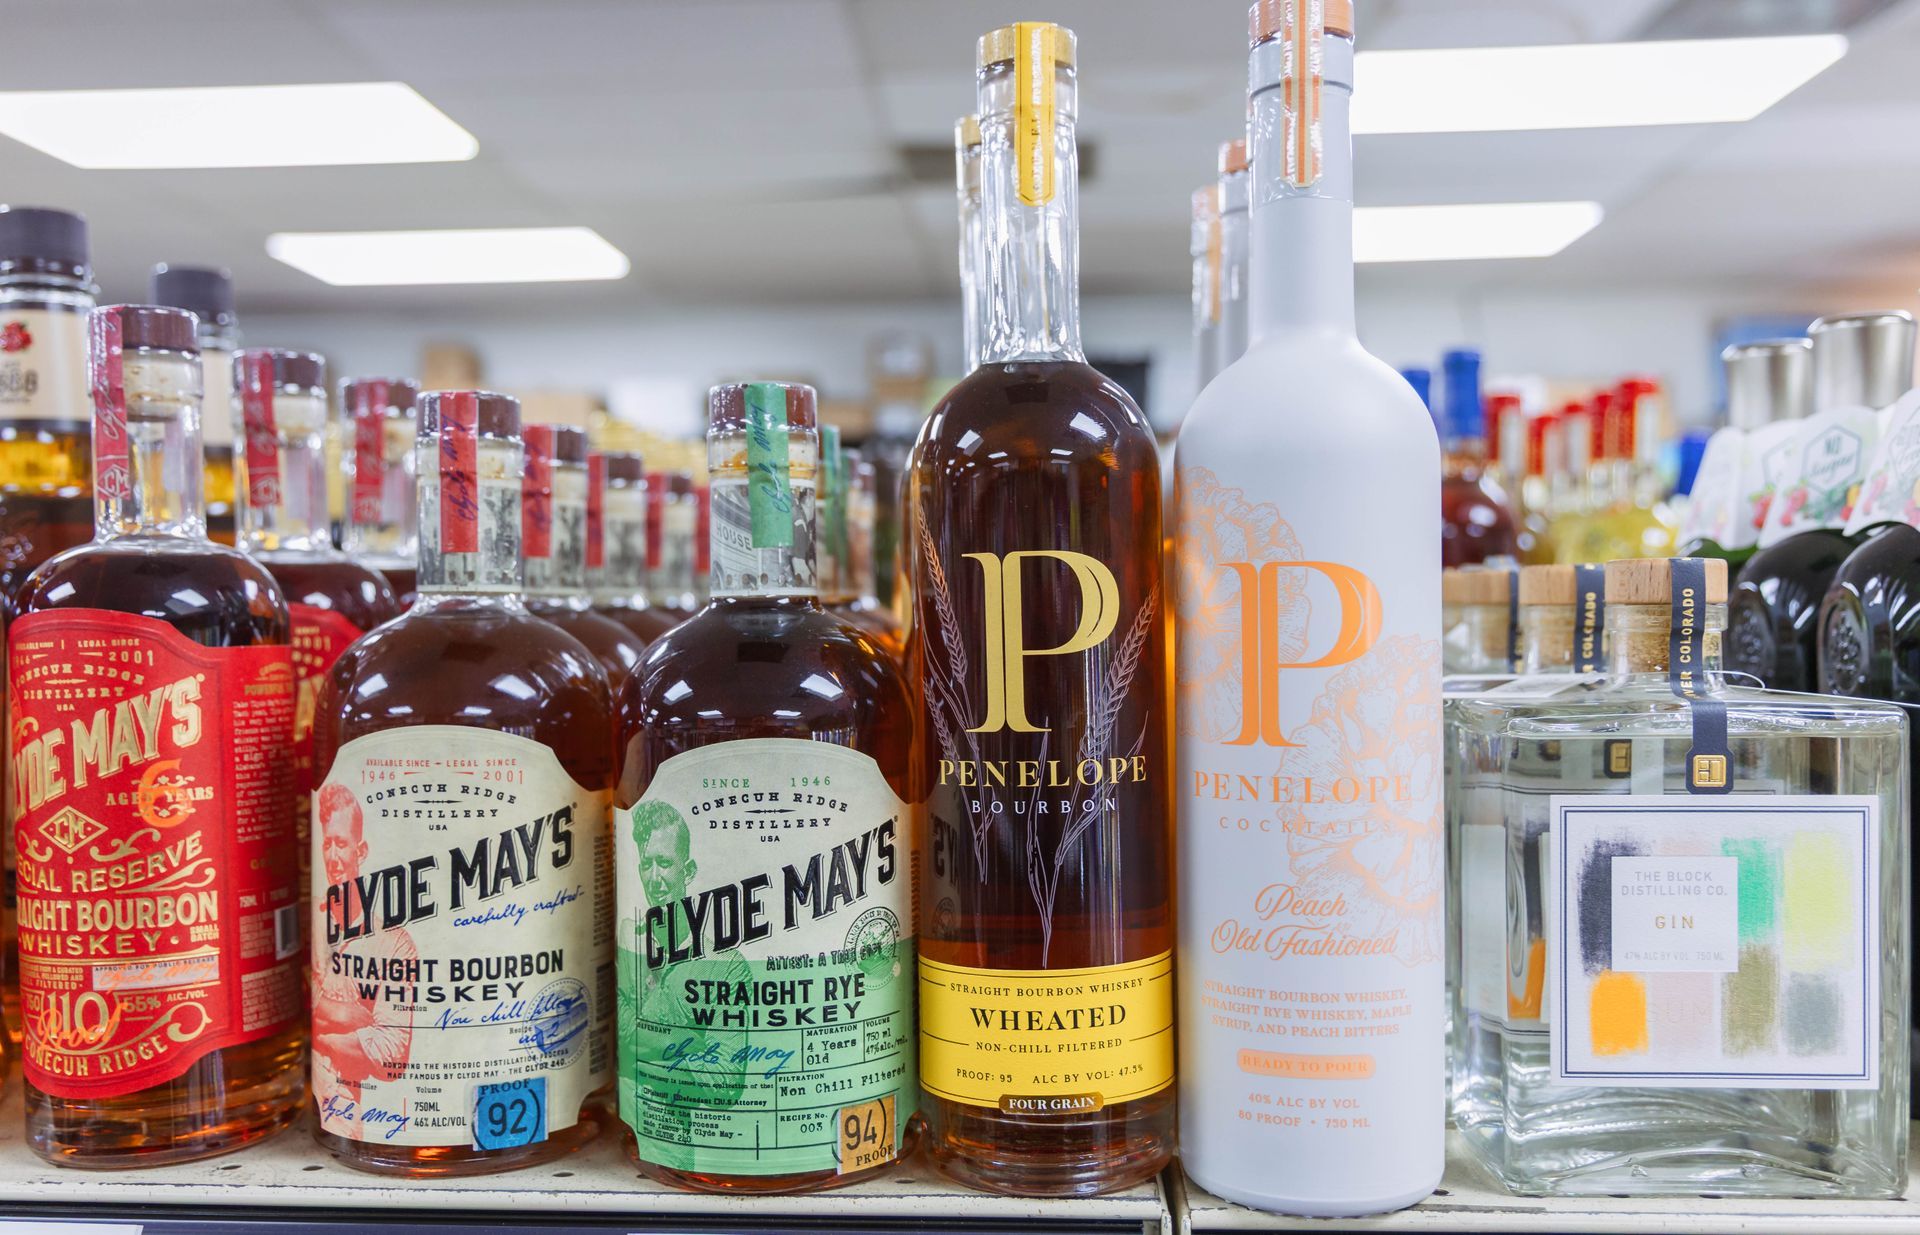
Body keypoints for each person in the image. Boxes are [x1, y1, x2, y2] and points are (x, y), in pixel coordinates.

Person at [311, 781, 417, 1129]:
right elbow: (299, 1002)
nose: (332, 857)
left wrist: (322, 1030)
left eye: (341, 844)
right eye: (326, 844)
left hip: (348, 1121)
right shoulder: (310, 918)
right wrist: (347, 1015)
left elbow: (391, 1055)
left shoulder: (392, 942)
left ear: (362, 850)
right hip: (317, 1108)